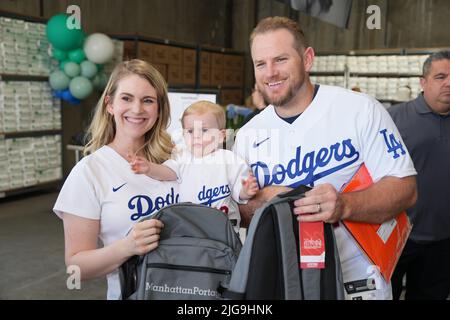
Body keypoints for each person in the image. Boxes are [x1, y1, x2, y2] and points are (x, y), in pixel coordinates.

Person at [233, 16, 418, 300]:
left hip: (356, 283)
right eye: (261, 63)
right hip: (284, 281)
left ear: (307, 59)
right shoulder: (248, 135)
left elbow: (405, 189)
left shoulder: (359, 109)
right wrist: (265, 203)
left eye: (281, 59)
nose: (270, 72)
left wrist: (344, 205)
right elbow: (238, 214)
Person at [53, 59, 179, 299]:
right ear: (110, 105)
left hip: (193, 290)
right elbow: (76, 268)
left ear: (159, 108)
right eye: (127, 98)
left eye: (148, 100)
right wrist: (128, 246)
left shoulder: (177, 159)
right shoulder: (90, 172)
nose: (137, 109)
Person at [130, 100, 259, 230]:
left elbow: (239, 191)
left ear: (221, 136)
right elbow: (166, 172)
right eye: (190, 131)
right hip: (191, 227)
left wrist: (246, 191)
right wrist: (149, 168)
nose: (196, 136)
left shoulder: (229, 159)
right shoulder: (181, 157)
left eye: (204, 130)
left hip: (224, 230)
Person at [388, 51, 450, 300]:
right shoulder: (394, 119)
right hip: (396, 236)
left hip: (443, 240)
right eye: (440, 76)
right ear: (423, 82)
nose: (448, 83)